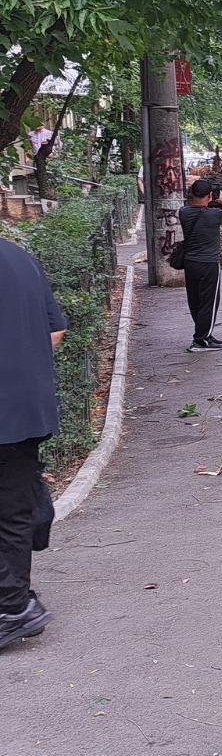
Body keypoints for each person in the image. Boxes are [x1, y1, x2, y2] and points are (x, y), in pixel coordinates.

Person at [0, 238, 68, 650]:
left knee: (10, 508)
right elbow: (55, 330)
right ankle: (14, 604)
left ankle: (13, 607)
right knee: (12, 509)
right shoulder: (19, 257)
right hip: (27, 408)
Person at [179, 178, 222, 352]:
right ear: (210, 195)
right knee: (209, 302)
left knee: (195, 300)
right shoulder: (214, 215)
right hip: (209, 263)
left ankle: (205, 334)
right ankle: (200, 341)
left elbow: (194, 207)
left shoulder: (183, 212)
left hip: (190, 263)